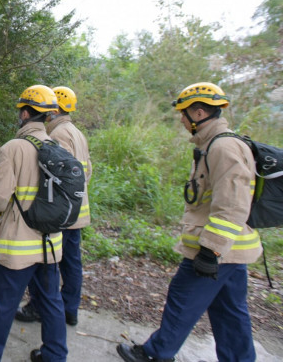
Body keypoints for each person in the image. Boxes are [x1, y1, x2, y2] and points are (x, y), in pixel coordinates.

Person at [116, 82, 262, 362]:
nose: (181, 119)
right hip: (231, 252)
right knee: (230, 312)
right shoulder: (215, 144)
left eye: (183, 114)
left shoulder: (223, 147)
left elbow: (232, 204)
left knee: (182, 299)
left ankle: (155, 354)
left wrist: (210, 250)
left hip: (215, 252)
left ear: (198, 113)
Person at [0, 85, 68, 362]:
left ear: (27, 113)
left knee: (5, 301)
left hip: (19, 244)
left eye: (21, 110)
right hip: (51, 242)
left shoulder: (14, 148)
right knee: (51, 301)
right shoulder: (59, 147)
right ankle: (55, 355)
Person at [15, 86, 92, 327]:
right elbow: (85, 171)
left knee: (47, 264)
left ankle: (39, 307)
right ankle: (70, 309)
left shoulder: (58, 135)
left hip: (63, 212)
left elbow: (58, 178)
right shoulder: (77, 132)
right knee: (71, 262)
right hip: (77, 211)